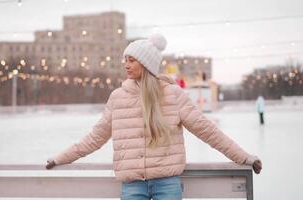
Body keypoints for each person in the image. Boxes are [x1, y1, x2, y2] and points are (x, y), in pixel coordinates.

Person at [46, 34, 262, 200]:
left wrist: (244, 158)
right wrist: (59, 158)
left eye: (131, 60)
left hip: (167, 184)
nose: (126, 65)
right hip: (132, 185)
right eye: (125, 60)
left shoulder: (173, 95)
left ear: (146, 64)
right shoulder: (117, 97)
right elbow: (94, 138)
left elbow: (207, 130)